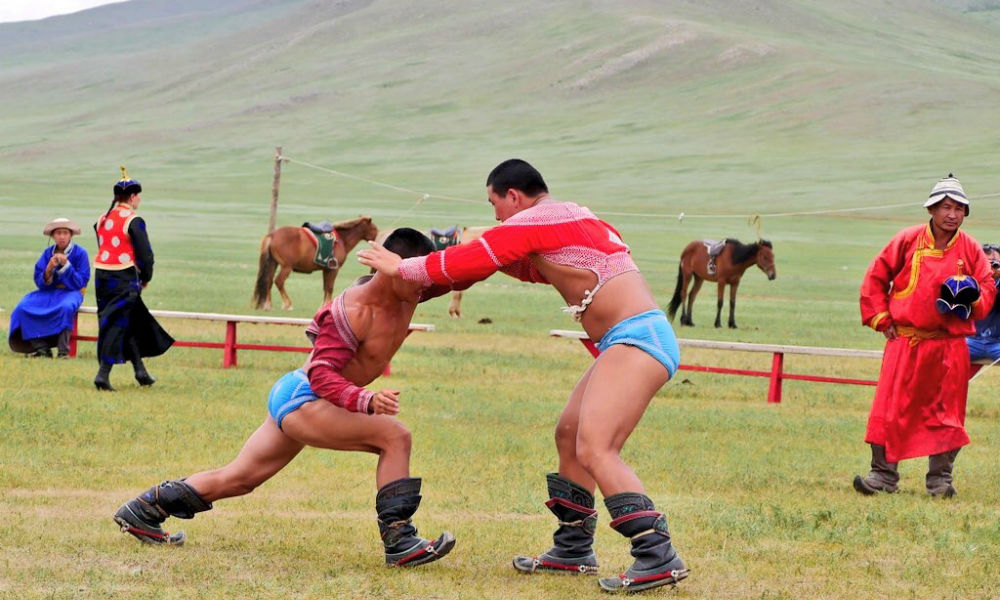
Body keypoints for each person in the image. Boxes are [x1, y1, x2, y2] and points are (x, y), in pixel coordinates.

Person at [358, 159, 688, 593]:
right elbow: (536, 268)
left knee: (596, 447)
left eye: (495, 204)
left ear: (513, 195)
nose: (495, 216)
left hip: (636, 339)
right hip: (631, 338)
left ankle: (656, 554)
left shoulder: (535, 220)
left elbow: (467, 264)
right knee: (569, 432)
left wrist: (400, 267)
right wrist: (489, 245)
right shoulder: (574, 216)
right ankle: (573, 549)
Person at [113, 228, 456, 568]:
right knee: (395, 436)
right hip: (305, 398)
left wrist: (503, 251)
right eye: (416, 275)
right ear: (387, 267)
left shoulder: (410, 288)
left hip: (304, 397)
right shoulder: (354, 310)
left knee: (240, 478)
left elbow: (459, 275)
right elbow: (322, 376)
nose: (425, 284)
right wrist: (365, 401)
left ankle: (143, 509)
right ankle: (400, 541)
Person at [855, 174, 995, 499]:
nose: (952, 214)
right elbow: (876, 278)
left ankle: (940, 483)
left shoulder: (971, 249)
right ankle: (882, 477)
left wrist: (972, 297)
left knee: (946, 413)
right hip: (905, 341)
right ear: (931, 209)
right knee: (890, 409)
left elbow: (987, 290)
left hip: (949, 347)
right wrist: (881, 317)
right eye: (946, 207)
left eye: (960, 208)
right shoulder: (906, 240)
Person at [93, 167, 173, 391]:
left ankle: (140, 371)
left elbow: (103, 244)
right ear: (132, 196)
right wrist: (145, 277)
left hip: (102, 275)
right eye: (138, 196)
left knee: (127, 321)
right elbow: (145, 253)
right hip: (124, 276)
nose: (139, 200)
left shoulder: (103, 218)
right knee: (116, 324)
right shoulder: (133, 220)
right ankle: (103, 373)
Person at [8, 218, 90, 358]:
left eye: (65, 233)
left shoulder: (80, 253)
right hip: (49, 293)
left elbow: (81, 281)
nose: (62, 236)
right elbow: (39, 281)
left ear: (71, 235)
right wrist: (48, 270)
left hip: (72, 292)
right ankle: (42, 348)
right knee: (23, 307)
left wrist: (66, 266)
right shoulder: (47, 254)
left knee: (66, 307)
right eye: (58, 233)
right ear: (53, 236)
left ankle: (63, 351)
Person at [966, 243, 1000, 363]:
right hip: (972, 341)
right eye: (987, 263)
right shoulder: (971, 282)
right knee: (946, 354)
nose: (991, 267)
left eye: (995, 263)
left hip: (997, 342)